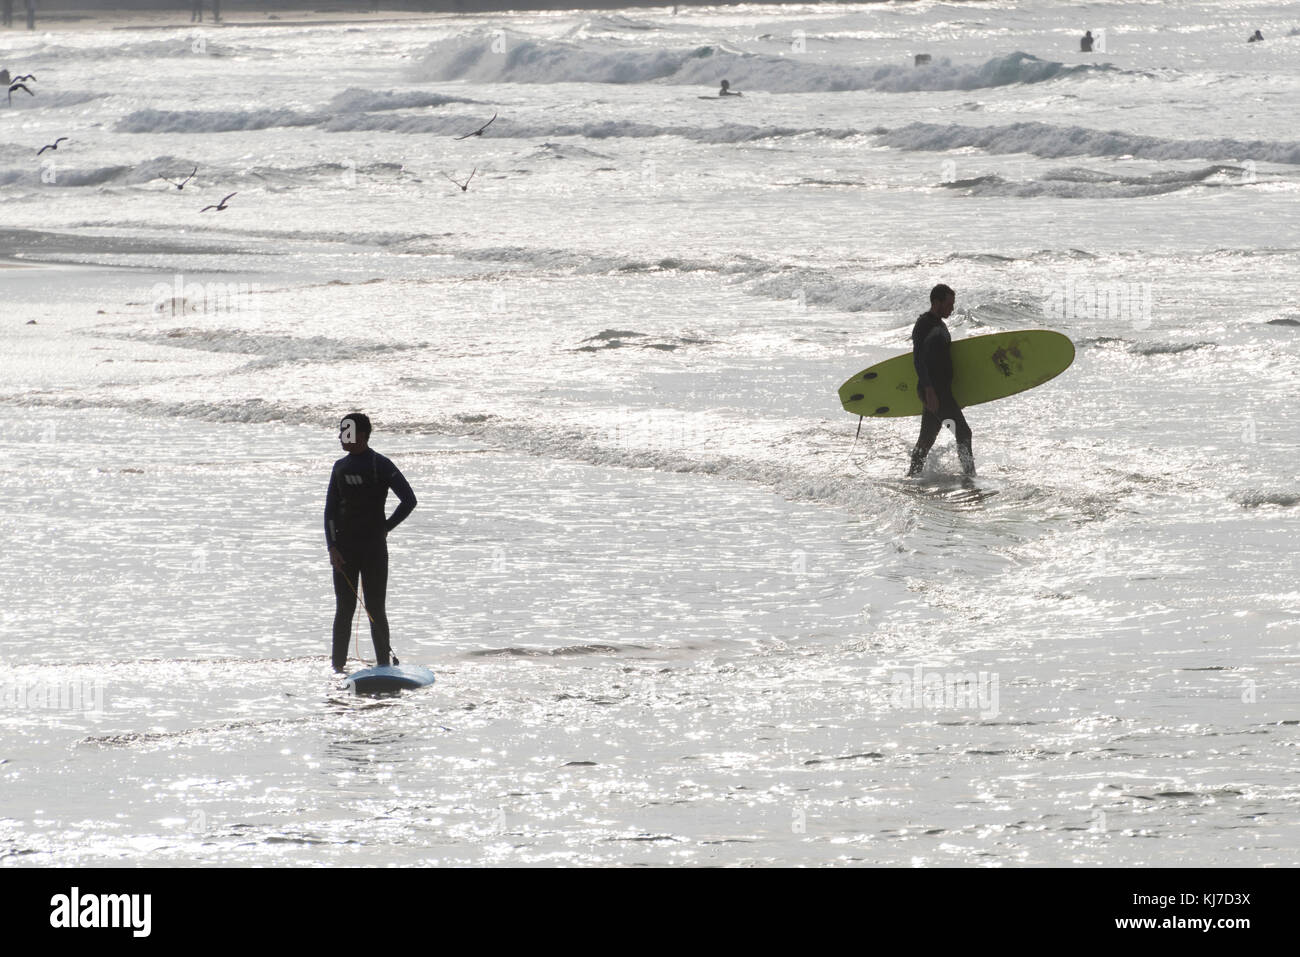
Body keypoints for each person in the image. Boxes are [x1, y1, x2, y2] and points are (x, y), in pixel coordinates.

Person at [324, 413, 417, 672]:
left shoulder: (381, 465)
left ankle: (384, 668)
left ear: (363, 435)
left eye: (348, 431)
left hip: (374, 549)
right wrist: (332, 547)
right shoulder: (339, 467)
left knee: (375, 608)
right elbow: (330, 511)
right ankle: (337, 668)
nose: (342, 436)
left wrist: (385, 528)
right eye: (341, 431)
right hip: (344, 550)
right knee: (344, 609)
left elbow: (409, 500)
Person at [907, 284, 974, 477]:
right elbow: (918, 359)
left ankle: (913, 476)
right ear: (937, 302)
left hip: (940, 390)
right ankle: (970, 477)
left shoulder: (940, 324)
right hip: (934, 390)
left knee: (926, 439)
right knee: (963, 432)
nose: (952, 309)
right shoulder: (924, 324)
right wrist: (929, 390)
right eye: (949, 304)